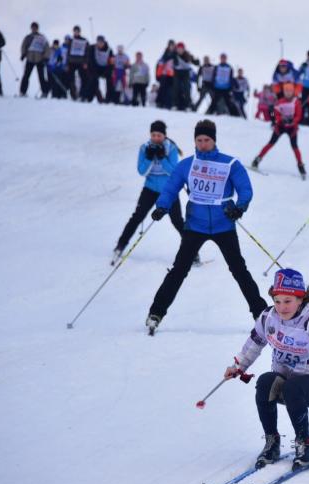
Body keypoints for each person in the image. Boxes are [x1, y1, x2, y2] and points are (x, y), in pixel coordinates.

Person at [146, 120, 267, 333]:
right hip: (195, 225)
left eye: (207, 140)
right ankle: (156, 312)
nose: (203, 144)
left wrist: (239, 208)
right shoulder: (187, 165)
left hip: (224, 226)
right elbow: (170, 188)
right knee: (178, 270)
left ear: (214, 140)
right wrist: (162, 207)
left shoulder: (230, 164)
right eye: (199, 140)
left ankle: (262, 315)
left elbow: (246, 190)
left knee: (239, 269)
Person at [223, 268, 309, 470]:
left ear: (300, 299)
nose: (282, 307)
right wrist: (238, 366)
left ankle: (304, 445)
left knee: (293, 387)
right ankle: (272, 443)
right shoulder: (268, 318)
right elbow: (254, 344)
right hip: (286, 381)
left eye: (288, 301)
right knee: (264, 382)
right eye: (278, 301)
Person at [112, 120, 187, 263]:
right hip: (150, 189)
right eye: (153, 135)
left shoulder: (171, 148)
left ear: (164, 136)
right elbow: (141, 171)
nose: (156, 138)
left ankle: (192, 251)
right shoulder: (144, 148)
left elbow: (174, 172)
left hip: (168, 191)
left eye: (159, 135)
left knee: (177, 220)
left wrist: (162, 158)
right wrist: (149, 158)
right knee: (137, 216)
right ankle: (121, 244)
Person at [252, 83, 306, 177]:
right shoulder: (279, 101)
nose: (288, 93)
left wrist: (293, 121)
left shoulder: (297, 102)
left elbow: (299, 115)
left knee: (295, 147)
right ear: (284, 92)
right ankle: (257, 159)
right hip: (280, 127)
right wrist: (279, 120)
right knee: (270, 143)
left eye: (290, 91)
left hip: (292, 128)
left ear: (293, 92)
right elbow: (274, 114)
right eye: (286, 91)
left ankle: (300, 165)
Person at [19, 22, 50, 98]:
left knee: (41, 76)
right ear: (31, 28)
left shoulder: (42, 37)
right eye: (33, 28)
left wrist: (46, 57)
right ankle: (23, 91)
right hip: (30, 58)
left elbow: (47, 48)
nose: (34, 29)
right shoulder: (28, 37)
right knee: (26, 75)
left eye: (35, 28)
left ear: (37, 28)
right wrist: (23, 54)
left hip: (40, 59)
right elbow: (23, 46)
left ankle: (44, 92)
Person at [172, 42, 199, 110]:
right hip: (177, 73)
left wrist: (196, 61)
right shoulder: (174, 55)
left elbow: (196, 63)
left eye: (181, 49)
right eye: (178, 49)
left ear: (184, 49)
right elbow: (166, 57)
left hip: (185, 74)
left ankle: (188, 105)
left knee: (187, 88)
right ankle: (175, 105)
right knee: (176, 88)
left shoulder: (188, 55)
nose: (180, 50)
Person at [87, 36, 113, 103]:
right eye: (99, 42)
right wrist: (94, 69)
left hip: (105, 68)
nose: (100, 44)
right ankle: (92, 98)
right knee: (93, 80)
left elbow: (111, 62)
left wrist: (108, 70)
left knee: (110, 80)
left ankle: (108, 99)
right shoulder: (92, 48)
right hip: (95, 67)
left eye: (101, 42)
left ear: (104, 42)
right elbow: (90, 59)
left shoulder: (109, 50)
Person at [66, 26, 89, 100]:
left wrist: (85, 62)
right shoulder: (71, 40)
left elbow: (87, 52)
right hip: (71, 62)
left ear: (79, 32)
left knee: (83, 78)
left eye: (77, 31)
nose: (76, 32)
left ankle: (82, 95)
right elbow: (67, 52)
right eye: (75, 31)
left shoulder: (84, 40)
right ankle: (73, 95)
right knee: (71, 79)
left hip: (81, 62)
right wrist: (67, 63)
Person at [155, 40, 176, 109]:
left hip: (172, 75)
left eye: (173, 45)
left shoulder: (175, 55)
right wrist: (157, 75)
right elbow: (159, 64)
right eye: (170, 45)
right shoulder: (165, 54)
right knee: (162, 88)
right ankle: (160, 103)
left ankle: (169, 104)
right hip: (164, 74)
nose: (171, 47)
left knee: (170, 90)